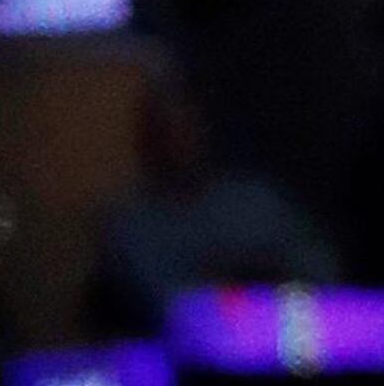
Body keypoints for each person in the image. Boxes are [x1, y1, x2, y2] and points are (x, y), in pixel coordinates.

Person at [91, 73, 336, 332]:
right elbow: (163, 305)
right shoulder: (132, 225)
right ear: (146, 141)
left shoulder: (257, 202)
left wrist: (264, 273)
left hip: (277, 348)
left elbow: (323, 272)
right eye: (163, 131)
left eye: (187, 128)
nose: (176, 143)